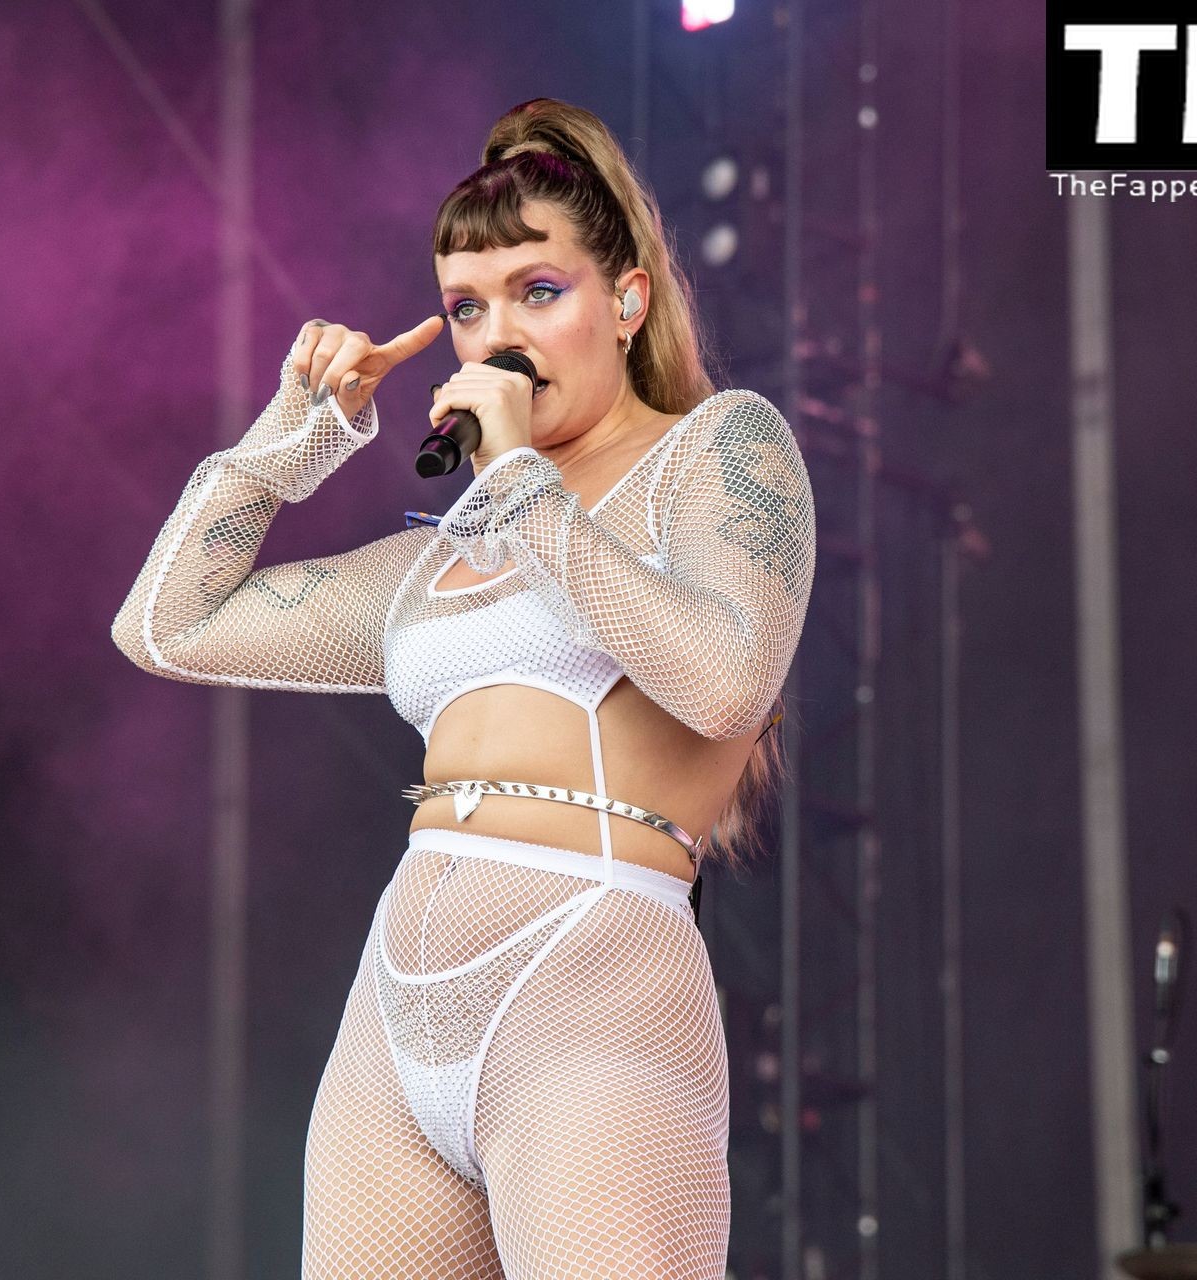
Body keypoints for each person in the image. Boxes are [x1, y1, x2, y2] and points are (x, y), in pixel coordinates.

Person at [111, 97, 814, 1280]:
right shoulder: (439, 556)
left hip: (592, 981)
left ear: (628, 300)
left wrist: (524, 479)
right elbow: (163, 625)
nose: (500, 336)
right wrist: (295, 436)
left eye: (539, 290)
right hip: (398, 1008)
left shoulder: (717, 452)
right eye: (468, 308)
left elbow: (727, 680)